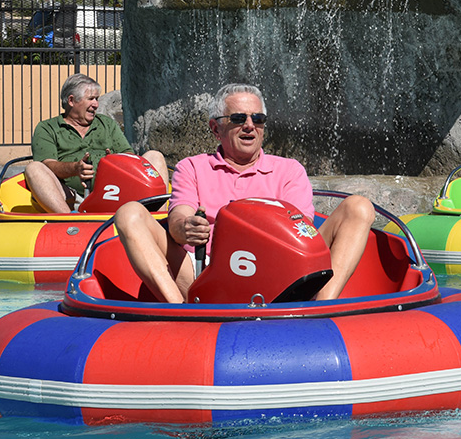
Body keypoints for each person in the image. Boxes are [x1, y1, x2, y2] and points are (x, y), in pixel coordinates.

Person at [114, 83, 376, 304]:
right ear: (215, 128)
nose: (250, 126)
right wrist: (186, 227)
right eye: (239, 119)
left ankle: (321, 307)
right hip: (202, 271)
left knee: (358, 207)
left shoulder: (290, 170)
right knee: (129, 213)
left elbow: (301, 229)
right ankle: (180, 311)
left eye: (257, 119)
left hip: (280, 269)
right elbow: (178, 218)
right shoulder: (191, 167)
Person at [25, 73, 168, 213]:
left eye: (97, 99)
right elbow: (48, 165)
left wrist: (115, 162)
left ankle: (160, 217)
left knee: (155, 156)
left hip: (114, 193)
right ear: (71, 100)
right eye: (91, 99)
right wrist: (75, 168)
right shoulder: (47, 128)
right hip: (71, 197)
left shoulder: (106, 124)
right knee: (34, 168)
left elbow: (129, 155)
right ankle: (68, 220)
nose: (96, 104)